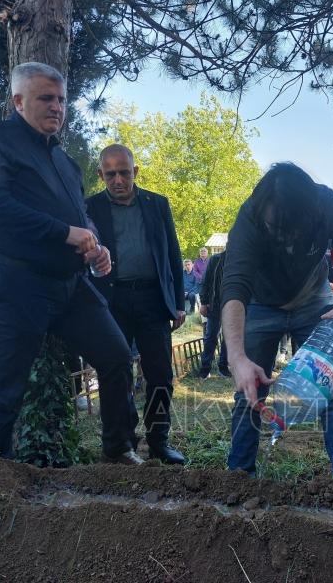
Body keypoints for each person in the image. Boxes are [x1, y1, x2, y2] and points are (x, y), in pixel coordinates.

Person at [0, 62, 141, 465]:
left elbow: (81, 216)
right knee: (6, 390)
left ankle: (118, 449)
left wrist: (95, 243)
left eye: (61, 99)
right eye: (46, 98)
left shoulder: (64, 160)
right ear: (18, 101)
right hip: (12, 282)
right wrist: (65, 233)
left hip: (68, 285)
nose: (57, 107)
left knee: (115, 356)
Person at [221, 162, 333, 482]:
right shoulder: (249, 217)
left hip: (313, 298)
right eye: (275, 228)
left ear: (310, 212)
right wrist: (236, 357)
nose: (284, 238)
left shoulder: (327, 204)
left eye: (291, 229)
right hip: (261, 303)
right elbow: (234, 287)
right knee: (249, 389)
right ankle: (238, 476)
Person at [86, 143, 186, 464]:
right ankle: (121, 442)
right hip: (111, 301)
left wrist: (179, 303)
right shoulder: (90, 209)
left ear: (135, 172)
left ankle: (159, 439)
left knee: (159, 373)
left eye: (124, 172)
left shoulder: (158, 204)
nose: (118, 179)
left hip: (152, 299)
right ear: (101, 174)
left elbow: (172, 254)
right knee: (116, 372)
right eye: (110, 173)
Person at [198, 249, 230, 378]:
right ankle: (205, 369)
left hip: (232, 306)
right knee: (211, 337)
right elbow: (205, 282)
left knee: (228, 338)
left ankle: (223, 368)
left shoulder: (240, 260)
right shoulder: (215, 259)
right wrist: (204, 303)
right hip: (215, 304)